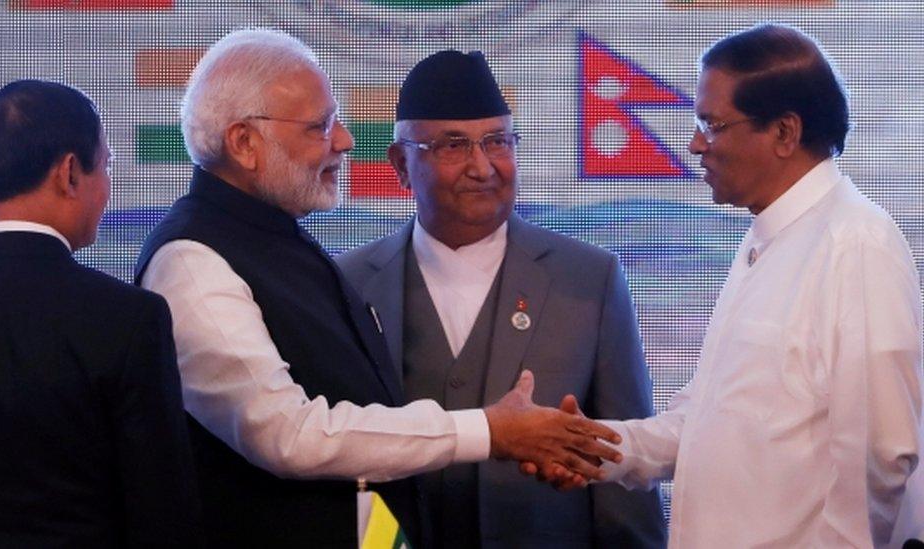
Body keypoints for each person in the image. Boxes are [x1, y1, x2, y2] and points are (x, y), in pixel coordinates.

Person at [134, 29, 622, 548]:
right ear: (244, 143)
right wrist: (489, 430)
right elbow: (286, 435)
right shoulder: (193, 261)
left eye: (499, 140)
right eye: (320, 126)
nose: (344, 140)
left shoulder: (279, 241)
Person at [579, 24, 922, 547]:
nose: (695, 144)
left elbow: (883, 452)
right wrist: (599, 447)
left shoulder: (855, 245)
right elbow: (711, 421)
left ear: (784, 132)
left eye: (712, 124)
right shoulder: (769, 236)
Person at [336, 50, 666, 548]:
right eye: (453, 145)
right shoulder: (348, 283)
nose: (482, 166)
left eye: (498, 142)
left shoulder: (588, 279)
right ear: (402, 164)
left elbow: (623, 467)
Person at [0, 80, 201, 547]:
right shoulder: (127, 319)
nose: (106, 188)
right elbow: (163, 511)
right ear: (68, 173)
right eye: (105, 165)